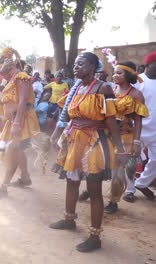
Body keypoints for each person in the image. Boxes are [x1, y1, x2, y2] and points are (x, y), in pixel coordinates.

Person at [49, 52, 128, 252]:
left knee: (93, 189)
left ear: (93, 66)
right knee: (71, 181)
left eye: (81, 64)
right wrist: (57, 133)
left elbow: (111, 120)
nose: (76, 67)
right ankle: (69, 219)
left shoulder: (104, 88)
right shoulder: (76, 88)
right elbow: (66, 113)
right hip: (74, 139)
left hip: (94, 140)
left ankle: (95, 236)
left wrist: (120, 148)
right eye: (75, 64)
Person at [0, 47, 40, 199]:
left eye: (0, 66)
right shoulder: (10, 79)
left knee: (11, 151)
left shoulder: (21, 76)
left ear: (9, 64)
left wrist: (17, 123)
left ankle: (3, 187)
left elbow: (24, 100)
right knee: (16, 151)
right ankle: (25, 177)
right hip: (14, 121)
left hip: (22, 120)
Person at [102, 61, 147, 213]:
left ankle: (113, 201)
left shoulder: (136, 94)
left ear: (128, 75)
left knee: (118, 170)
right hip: (110, 136)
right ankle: (93, 191)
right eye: (114, 72)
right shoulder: (111, 91)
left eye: (119, 73)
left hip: (126, 137)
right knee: (103, 165)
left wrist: (136, 142)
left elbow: (138, 121)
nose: (115, 75)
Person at [133, 52, 156, 200]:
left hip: (155, 130)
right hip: (137, 128)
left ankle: (141, 184)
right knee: (129, 161)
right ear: (148, 65)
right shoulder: (138, 80)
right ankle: (127, 191)